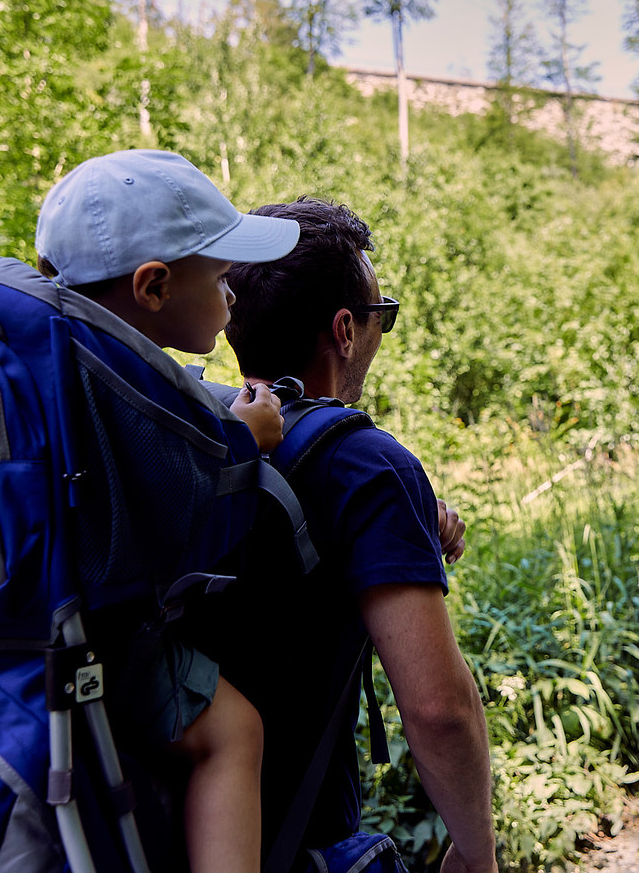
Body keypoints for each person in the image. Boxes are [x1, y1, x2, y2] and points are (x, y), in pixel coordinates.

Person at [35, 148, 299, 873]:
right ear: (152, 287)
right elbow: (181, 529)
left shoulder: (53, 358)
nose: (232, 298)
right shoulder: (131, 394)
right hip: (92, 650)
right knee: (235, 732)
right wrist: (247, 446)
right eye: (219, 278)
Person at [222, 197, 496, 873]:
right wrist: (477, 851)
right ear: (345, 330)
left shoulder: (204, 437)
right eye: (382, 317)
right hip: (297, 840)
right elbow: (437, 708)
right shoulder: (365, 463)